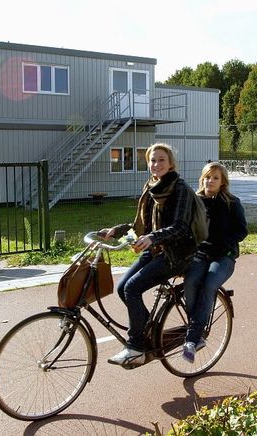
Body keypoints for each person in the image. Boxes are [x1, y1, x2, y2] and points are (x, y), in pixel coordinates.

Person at [100, 143, 197, 366]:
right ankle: (145, 330)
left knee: (133, 288)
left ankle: (136, 347)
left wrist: (153, 238)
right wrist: (117, 230)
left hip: (176, 254)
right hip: (155, 250)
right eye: (152, 160)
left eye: (161, 160)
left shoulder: (179, 188)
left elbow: (181, 227)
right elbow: (141, 224)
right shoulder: (151, 186)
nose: (156, 164)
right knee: (123, 288)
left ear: (171, 163)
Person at [181, 162, 248, 363]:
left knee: (209, 283)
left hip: (224, 256)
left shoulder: (232, 202)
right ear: (202, 178)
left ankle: (193, 338)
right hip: (201, 253)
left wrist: (224, 243)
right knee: (191, 281)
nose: (211, 181)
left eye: (216, 178)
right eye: (208, 177)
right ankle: (197, 328)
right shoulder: (196, 201)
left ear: (223, 182)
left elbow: (242, 231)